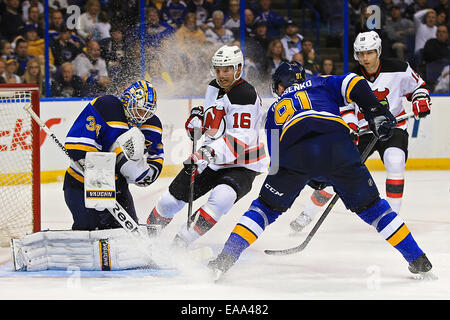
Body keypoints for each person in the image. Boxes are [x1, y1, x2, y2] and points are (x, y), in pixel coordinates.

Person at [207, 61, 434, 280]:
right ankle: (419, 260)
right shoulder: (319, 82)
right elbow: (355, 82)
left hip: (293, 155)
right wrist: (374, 111)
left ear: (279, 86)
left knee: (264, 210)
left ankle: (224, 260)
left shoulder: (274, 111)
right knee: (376, 210)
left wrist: (311, 178)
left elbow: (276, 164)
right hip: (337, 146)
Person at [289, 31, 431, 233]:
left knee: (395, 160)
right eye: (361, 53)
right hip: (364, 132)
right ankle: (308, 214)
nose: (366, 58)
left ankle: (393, 219)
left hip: (393, 127)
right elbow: (346, 107)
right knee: (336, 172)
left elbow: (418, 88)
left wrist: (420, 100)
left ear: (378, 51)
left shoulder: (400, 69)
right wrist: (351, 128)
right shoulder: (351, 77)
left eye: (370, 53)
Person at [146, 45, 268, 248]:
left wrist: (207, 152)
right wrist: (198, 118)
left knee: (221, 199)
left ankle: (179, 245)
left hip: (243, 164)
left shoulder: (245, 95)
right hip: (211, 158)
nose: (222, 75)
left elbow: (239, 141)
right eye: (218, 69)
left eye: (227, 69)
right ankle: (146, 239)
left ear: (238, 69)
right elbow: (215, 120)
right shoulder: (214, 87)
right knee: (169, 202)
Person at [63, 80, 164, 231]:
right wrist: (97, 171)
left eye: (147, 112)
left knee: (128, 235)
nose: (142, 116)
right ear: (128, 100)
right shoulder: (107, 106)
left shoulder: (152, 125)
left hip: (118, 188)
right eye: (139, 109)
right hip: (80, 184)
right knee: (89, 231)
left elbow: (155, 159)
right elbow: (76, 144)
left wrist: (143, 173)